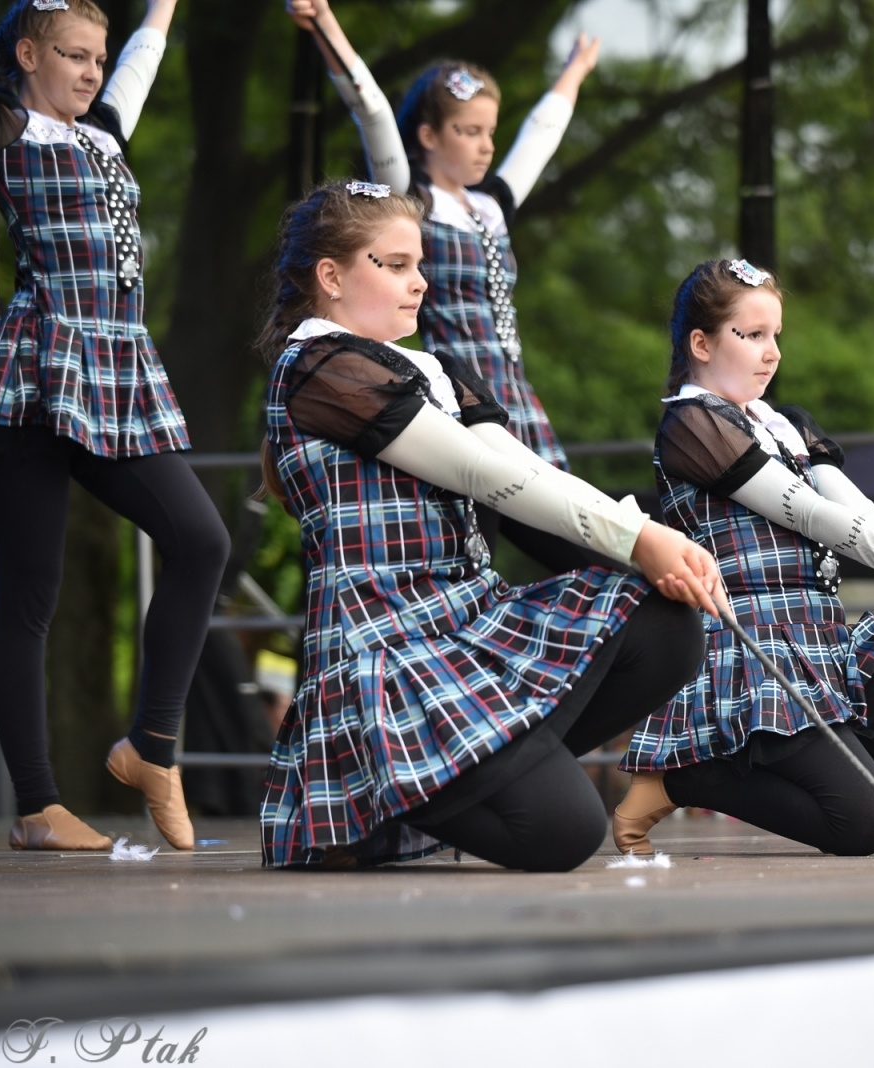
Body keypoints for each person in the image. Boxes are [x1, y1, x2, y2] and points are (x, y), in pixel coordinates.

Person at [256, 180, 722, 871]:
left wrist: (651, 537)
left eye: (419, 264)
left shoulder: (436, 370)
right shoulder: (320, 367)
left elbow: (525, 467)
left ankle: (480, 769)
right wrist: (637, 539)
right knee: (567, 832)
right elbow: (480, 473)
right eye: (395, 265)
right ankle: (394, 784)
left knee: (666, 624)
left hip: (468, 620)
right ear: (331, 277)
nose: (419, 283)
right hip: (388, 645)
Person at [0, 0, 228, 851]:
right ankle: (39, 807)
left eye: (98, 57)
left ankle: (152, 745)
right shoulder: (5, 126)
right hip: (33, 372)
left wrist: (162, 9)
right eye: (73, 55)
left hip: (115, 372)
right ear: (28, 55)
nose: (94, 71)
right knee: (32, 592)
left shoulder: (102, 131)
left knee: (201, 540)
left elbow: (145, 53)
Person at [611, 259, 874, 857]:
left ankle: (831, 758)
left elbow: (860, 509)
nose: (772, 352)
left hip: (825, 643)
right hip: (753, 658)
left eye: (776, 335)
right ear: (701, 344)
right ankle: (687, 777)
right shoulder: (691, 424)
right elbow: (809, 512)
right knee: (866, 826)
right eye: (752, 335)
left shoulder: (787, 424)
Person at [287, 0, 601, 571]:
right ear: (429, 134)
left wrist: (574, 72)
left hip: (516, 402)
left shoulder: (491, 206)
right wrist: (325, 24)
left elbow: (542, 133)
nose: (485, 145)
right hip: (453, 406)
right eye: (468, 131)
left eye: (490, 132)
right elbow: (371, 111)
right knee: (474, 560)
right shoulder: (412, 201)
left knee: (588, 552)